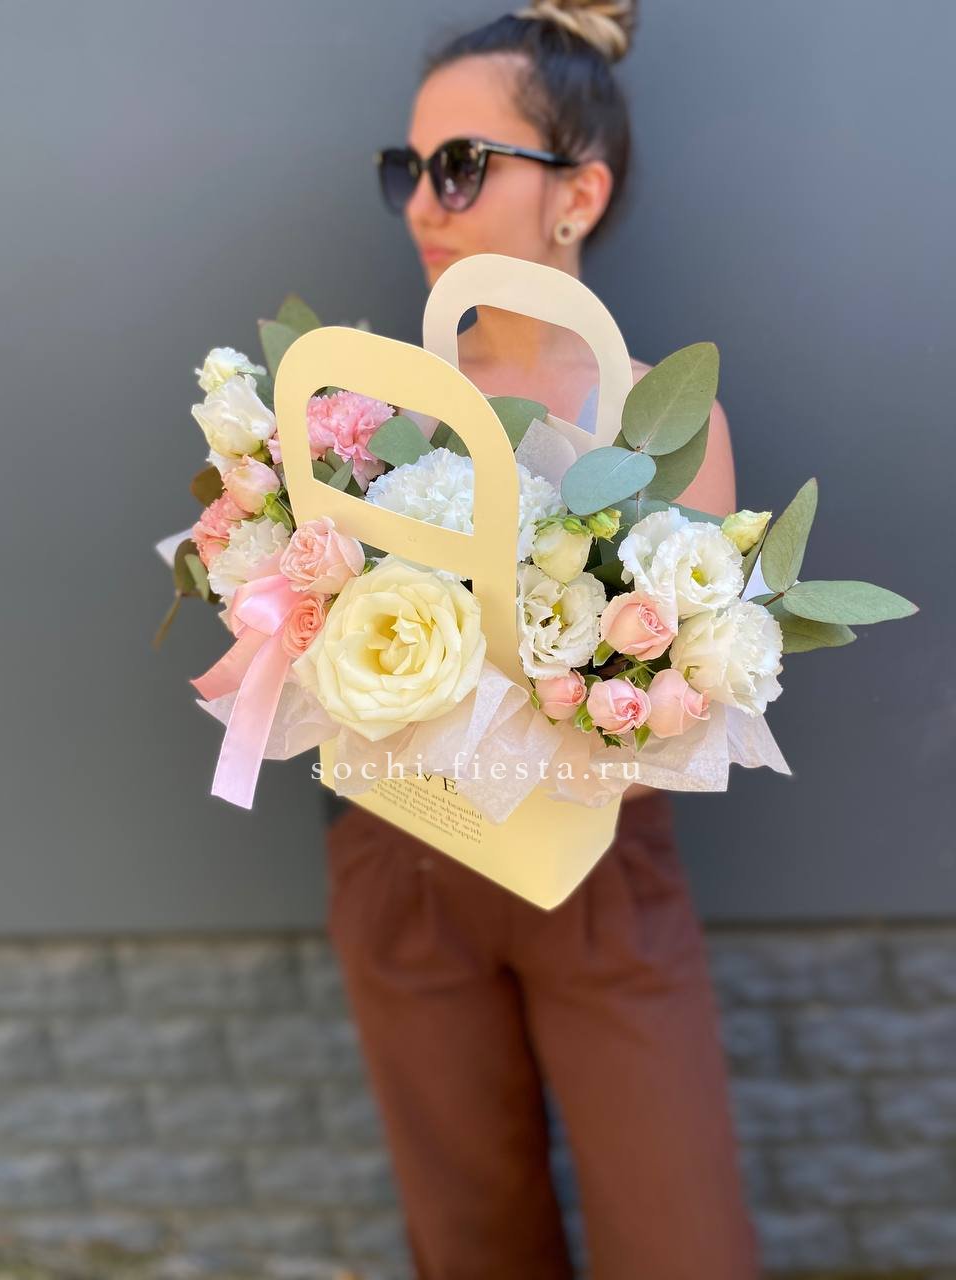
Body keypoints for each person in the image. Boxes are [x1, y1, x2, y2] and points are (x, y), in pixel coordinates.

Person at [326, 3, 761, 1277]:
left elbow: (691, 687)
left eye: (461, 165)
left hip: (602, 865)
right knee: (470, 1239)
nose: (424, 203)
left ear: (579, 192)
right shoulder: (375, 412)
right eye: (408, 168)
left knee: (681, 1240)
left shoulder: (664, 421)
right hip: (402, 856)